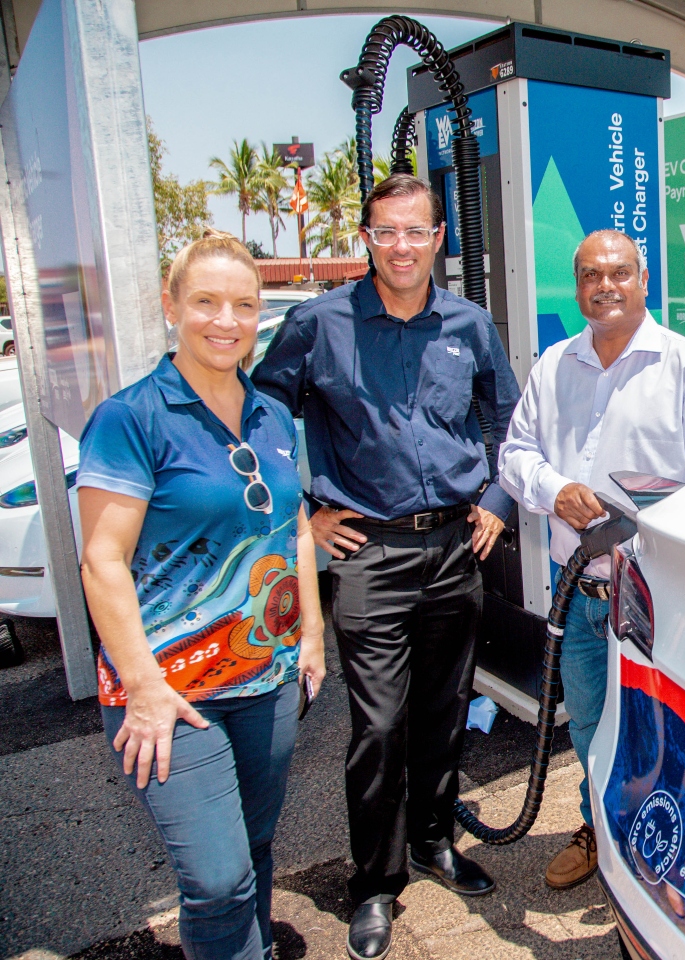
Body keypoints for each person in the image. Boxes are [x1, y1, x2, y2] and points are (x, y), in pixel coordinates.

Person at [251, 174, 518, 960]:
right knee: (377, 726)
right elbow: (258, 417)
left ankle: (434, 842)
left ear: (439, 239)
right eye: (386, 232)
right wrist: (304, 514)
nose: (402, 247)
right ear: (366, 238)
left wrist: (499, 499)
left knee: (444, 710)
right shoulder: (318, 323)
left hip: (456, 548)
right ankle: (374, 882)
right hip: (367, 554)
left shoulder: (468, 323)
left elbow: (510, 417)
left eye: (416, 232)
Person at [77, 230, 326, 960]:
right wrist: (143, 688)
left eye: (244, 305)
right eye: (206, 302)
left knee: (253, 847)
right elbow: (101, 561)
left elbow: (295, 529)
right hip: (168, 690)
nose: (227, 321)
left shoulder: (271, 414)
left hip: (267, 676)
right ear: (171, 306)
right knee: (216, 879)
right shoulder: (131, 418)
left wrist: (312, 637)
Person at [498, 229, 685, 890]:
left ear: (644, 280)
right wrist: (555, 490)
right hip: (576, 591)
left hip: (655, 600)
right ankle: (601, 828)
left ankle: (668, 846)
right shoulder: (553, 367)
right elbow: (515, 455)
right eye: (589, 274)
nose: (604, 286)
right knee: (588, 726)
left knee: (662, 732)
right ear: (576, 286)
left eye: (618, 273)